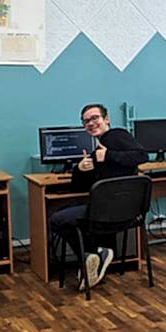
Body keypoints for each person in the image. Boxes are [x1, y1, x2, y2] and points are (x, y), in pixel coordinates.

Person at [49, 103, 149, 290]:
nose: (90, 123)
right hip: (125, 212)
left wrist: (108, 155)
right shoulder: (97, 152)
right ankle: (96, 256)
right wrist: (80, 169)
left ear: (107, 119)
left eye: (95, 118)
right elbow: (79, 185)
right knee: (71, 211)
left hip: (109, 212)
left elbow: (142, 156)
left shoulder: (116, 136)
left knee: (56, 220)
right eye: (86, 121)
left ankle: (90, 255)